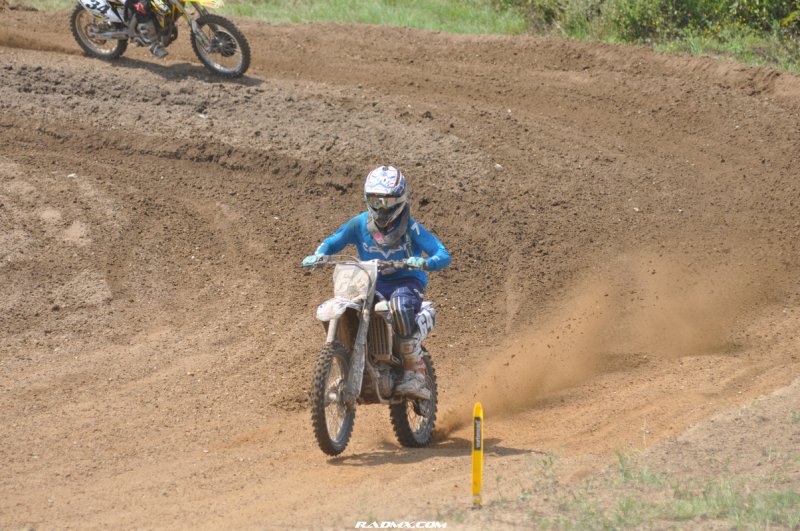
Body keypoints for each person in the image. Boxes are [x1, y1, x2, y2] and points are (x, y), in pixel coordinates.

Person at [302, 165, 451, 399]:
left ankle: (414, 372)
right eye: (375, 200)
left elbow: (442, 253)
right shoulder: (359, 224)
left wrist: (423, 262)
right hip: (370, 282)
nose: (381, 207)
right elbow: (332, 241)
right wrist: (318, 255)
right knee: (348, 310)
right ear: (366, 198)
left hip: (405, 282)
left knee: (400, 306)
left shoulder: (410, 228)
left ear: (399, 199)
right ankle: (348, 367)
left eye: (387, 201)